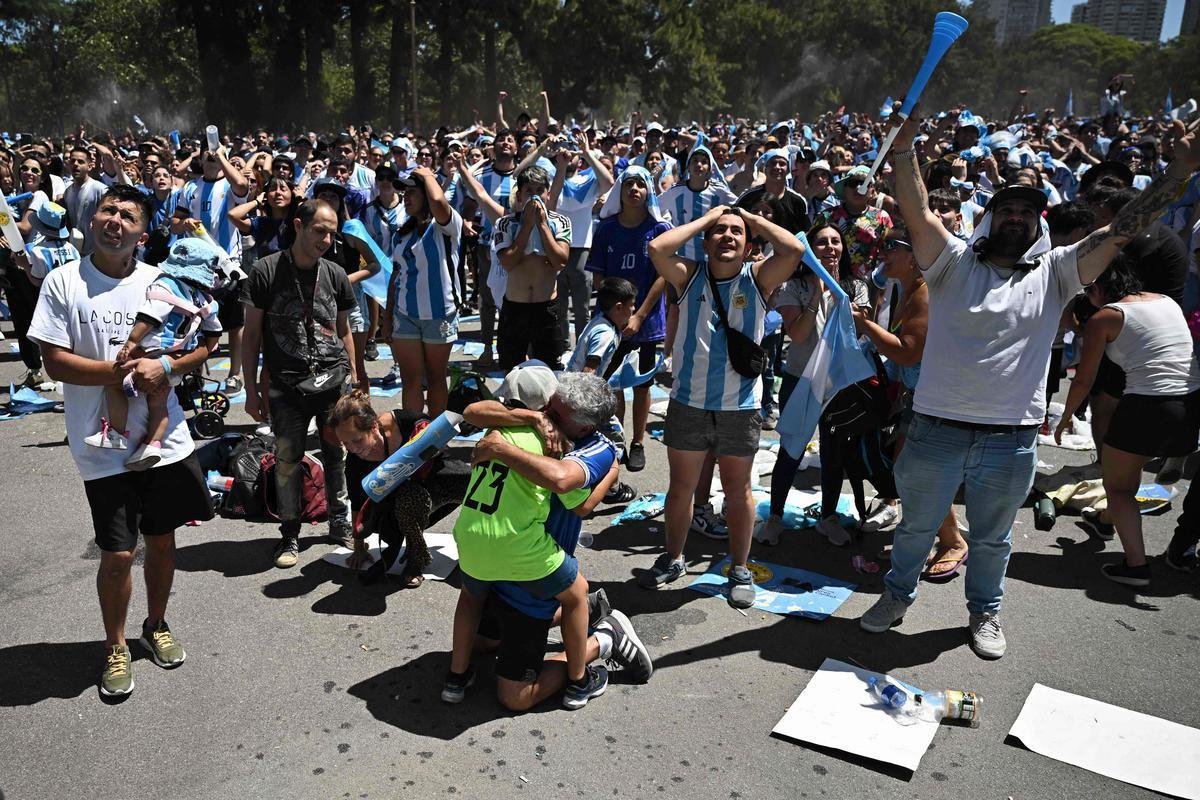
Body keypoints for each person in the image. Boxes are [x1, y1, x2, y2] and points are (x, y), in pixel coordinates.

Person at [858, 114, 1200, 660]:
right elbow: (918, 212)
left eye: (1026, 210)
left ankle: (984, 613)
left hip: (1010, 437)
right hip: (936, 429)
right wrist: (904, 152)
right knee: (917, 530)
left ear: (1037, 223)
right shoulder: (948, 264)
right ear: (989, 218)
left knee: (993, 539)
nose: (1016, 217)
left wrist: (1178, 171)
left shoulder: (1058, 271)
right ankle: (896, 597)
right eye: (1006, 209)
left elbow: (1121, 230)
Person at [27, 184, 216, 698]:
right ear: (92, 220)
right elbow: (54, 360)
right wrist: (119, 374)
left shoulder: (163, 281)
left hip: (164, 440)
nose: (114, 220)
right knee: (116, 553)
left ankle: (155, 624)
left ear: (143, 234)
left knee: (161, 540)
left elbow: (207, 342)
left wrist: (166, 365)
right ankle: (115, 644)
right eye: (107, 210)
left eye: (127, 215)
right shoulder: (63, 282)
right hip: (100, 445)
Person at [641, 205, 804, 606]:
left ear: (749, 244)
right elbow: (658, 248)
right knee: (681, 488)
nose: (727, 236)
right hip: (688, 402)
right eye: (719, 232)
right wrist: (709, 216)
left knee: (738, 490)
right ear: (706, 241)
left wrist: (749, 217)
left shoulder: (759, 278)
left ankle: (740, 568)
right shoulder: (689, 276)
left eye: (736, 232)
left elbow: (794, 250)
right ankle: (674, 558)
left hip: (740, 406)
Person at [446, 367, 617, 709]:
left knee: (470, 599)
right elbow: (578, 503)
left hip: (470, 540)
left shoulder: (502, 429)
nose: (547, 418)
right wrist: (611, 474)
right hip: (516, 549)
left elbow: (471, 412)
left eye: (553, 415)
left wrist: (501, 440)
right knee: (576, 593)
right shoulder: (549, 444)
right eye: (548, 410)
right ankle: (581, 676)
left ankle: (456, 677)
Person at [1055, 257, 1200, 586]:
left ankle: (1136, 566)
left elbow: (1083, 380)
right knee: (1125, 471)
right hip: (1191, 404)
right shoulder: (1165, 302)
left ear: (1097, 288)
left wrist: (1065, 417)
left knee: (1118, 486)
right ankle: (1106, 521)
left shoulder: (1105, 317)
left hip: (1148, 408)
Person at [240, 198, 359, 569]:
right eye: (319, 230)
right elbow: (252, 336)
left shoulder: (335, 273)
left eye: (332, 233)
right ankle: (290, 532)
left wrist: (355, 378)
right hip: (286, 385)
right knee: (287, 460)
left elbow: (344, 330)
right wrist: (251, 389)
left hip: (332, 382)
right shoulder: (265, 270)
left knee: (337, 455)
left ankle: (340, 522)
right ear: (298, 225)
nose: (325, 239)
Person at [83, 238, 226, 470]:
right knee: (159, 404)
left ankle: (116, 433)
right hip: (177, 356)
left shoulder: (166, 285)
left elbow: (151, 316)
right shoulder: (205, 299)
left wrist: (131, 341)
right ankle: (153, 444)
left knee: (115, 385)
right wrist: (207, 346)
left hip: (150, 350)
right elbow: (214, 330)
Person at [331, 390, 472, 589]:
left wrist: (434, 446)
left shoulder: (405, 421)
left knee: (478, 486)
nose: (352, 448)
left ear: (373, 427)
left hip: (434, 480)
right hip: (398, 510)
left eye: (357, 440)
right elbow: (356, 502)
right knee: (409, 496)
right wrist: (359, 547)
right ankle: (416, 560)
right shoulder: (355, 463)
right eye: (345, 443)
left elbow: (441, 444)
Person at [587, 166, 673, 472]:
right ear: (619, 192)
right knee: (612, 384)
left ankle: (637, 442)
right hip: (612, 321)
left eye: (641, 183)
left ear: (649, 191)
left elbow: (663, 276)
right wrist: (616, 314)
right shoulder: (606, 228)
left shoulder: (659, 230)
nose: (634, 189)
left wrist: (638, 315)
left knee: (641, 385)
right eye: (628, 184)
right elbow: (598, 276)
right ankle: (617, 438)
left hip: (646, 323)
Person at [379, 166, 463, 416]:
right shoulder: (401, 235)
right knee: (410, 380)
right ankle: (414, 438)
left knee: (436, 378)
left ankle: (435, 441)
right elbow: (396, 275)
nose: (406, 197)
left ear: (426, 194)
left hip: (440, 315)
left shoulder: (445, 227)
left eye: (413, 192)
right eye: (404, 192)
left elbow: (439, 200)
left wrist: (428, 176)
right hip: (405, 316)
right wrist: (387, 316)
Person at [493, 165, 572, 369]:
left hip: (546, 308)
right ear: (519, 195)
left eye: (539, 191)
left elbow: (560, 261)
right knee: (512, 370)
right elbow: (508, 262)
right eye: (529, 191)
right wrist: (527, 226)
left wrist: (543, 226)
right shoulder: (505, 224)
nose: (535, 197)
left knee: (549, 372)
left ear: (548, 194)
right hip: (515, 307)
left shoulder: (560, 222)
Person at [547, 132, 614, 352]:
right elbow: (552, 202)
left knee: (582, 306)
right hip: (556, 247)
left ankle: (584, 347)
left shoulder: (588, 179)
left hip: (582, 248)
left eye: (573, 150)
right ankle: (564, 345)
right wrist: (559, 167)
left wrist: (587, 152)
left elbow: (609, 182)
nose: (569, 154)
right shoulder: (552, 176)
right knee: (559, 304)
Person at [734, 149, 809, 234]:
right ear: (765, 169)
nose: (777, 167)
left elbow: (804, 234)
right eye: (772, 163)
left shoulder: (798, 201)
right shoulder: (748, 197)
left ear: (788, 170)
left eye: (782, 164)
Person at [62, 145, 108, 253]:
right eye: (72, 161)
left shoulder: (100, 189)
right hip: (74, 251)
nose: (75, 164)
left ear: (90, 166)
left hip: (96, 252)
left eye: (80, 162)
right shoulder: (68, 192)